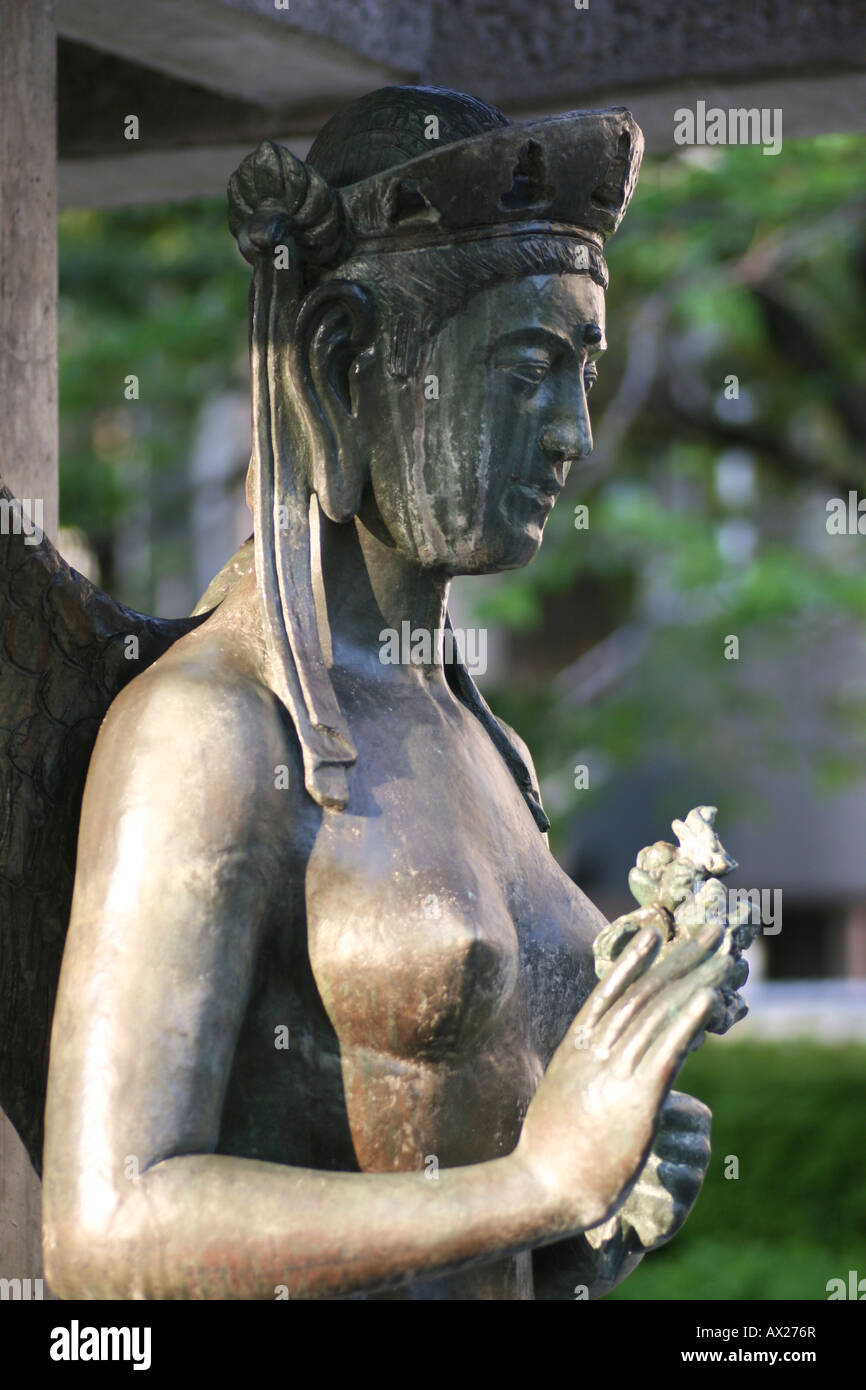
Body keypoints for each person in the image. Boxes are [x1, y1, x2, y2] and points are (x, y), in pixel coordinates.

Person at [42, 86, 724, 1301]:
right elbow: (106, 1227)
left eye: (584, 371)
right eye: (528, 368)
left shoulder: (484, 744)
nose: (572, 431)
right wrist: (537, 1185)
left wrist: (599, 1204)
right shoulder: (210, 729)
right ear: (345, 362)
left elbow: (507, 1231)